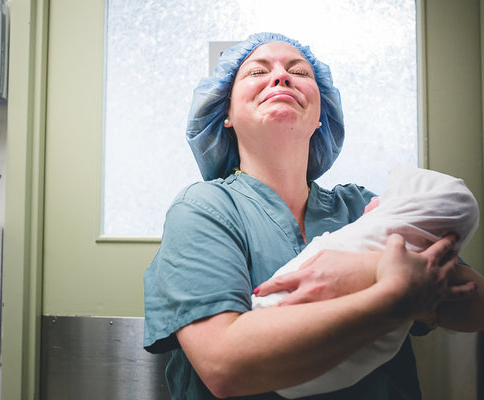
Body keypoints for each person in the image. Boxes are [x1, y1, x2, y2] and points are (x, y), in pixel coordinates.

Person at [143, 32, 484, 399]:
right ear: (225, 113)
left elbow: (475, 303)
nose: (281, 77)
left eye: (299, 72)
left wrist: (365, 273)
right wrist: (388, 293)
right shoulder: (203, 209)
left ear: (322, 115)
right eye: (257, 71)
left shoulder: (365, 207)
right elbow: (225, 367)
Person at [252, 166, 479, 398]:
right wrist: (401, 282)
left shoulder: (366, 203)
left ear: (319, 126)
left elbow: (477, 306)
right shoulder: (217, 210)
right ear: (226, 126)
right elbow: (221, 362)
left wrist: (374, 268)